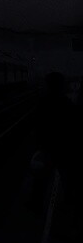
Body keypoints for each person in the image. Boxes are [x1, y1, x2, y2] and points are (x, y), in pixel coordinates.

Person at [28, 72, 75, 219]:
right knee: (68, 179)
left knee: (40, 180)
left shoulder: (43, 103)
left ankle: (36, 206)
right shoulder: (67, 103)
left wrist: (38, 145)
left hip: (47, 147)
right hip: (63, 148)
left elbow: (37, 126)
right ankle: (69, 206)